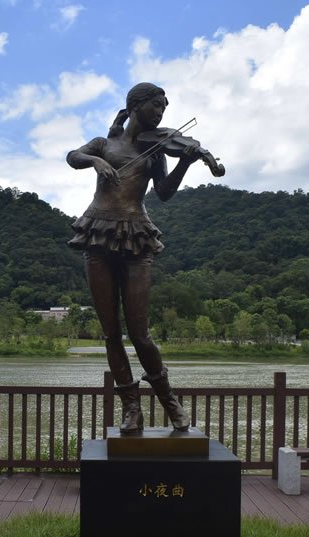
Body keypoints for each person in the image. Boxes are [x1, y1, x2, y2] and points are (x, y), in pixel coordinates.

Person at [66, 82, 201, 434]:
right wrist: (96, 161)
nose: (161, 113)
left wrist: (185, 164)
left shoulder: (155, 151)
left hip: (137, 236)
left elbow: (164, 193)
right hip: (98, 233)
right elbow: (73, 156)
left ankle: (171, 403)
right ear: (136, 106)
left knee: (140, 333)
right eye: (156, 105)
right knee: (111, 333)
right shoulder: (104, 144)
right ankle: (131, 407)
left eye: (164, 108)